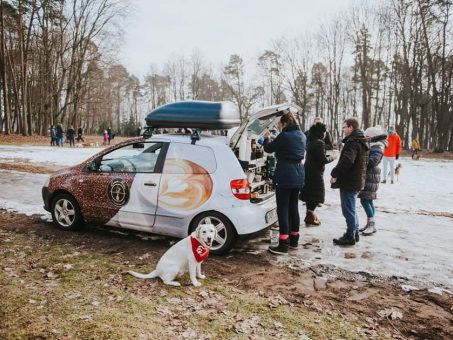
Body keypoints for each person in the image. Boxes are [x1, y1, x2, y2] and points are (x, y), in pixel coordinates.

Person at [262, 112, 306, 255]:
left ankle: (283, 244)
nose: (280, 127)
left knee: (283, 209)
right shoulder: (302, 135)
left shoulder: (284, 136)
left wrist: (267, 138)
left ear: (285, 123)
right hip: (299, 173)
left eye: (281, 124)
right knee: (294, 207)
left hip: (285, 174)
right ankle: (294, 240)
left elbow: (268, 149)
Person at [330, 117, 370, 246]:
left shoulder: (353, 142)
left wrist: (335, 173)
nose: (343, 129)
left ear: (351, 128)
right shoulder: (361, 141)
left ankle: (350, 235)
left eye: (344, 127)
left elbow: (347, 160)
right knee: (351, 208)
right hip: (357, 180)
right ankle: (354, 232)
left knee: (348, 210)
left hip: (350, 181)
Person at [299, 122, 337, 226]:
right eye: (325, 132)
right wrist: (334, 156)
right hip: (315, 172)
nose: (325, 134)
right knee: (317, 194)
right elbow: (323, 160)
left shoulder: (311, 141)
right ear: (321, 132)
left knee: (310, 193)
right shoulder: (319, 142)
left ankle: (309, 214)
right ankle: (310, 214)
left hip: (308, 169)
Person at [358, 126, 388, 236]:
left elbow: (373, 161)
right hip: (370, 176)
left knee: (365, 200)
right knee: (368, 200)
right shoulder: (374, 146)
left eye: (367, 136)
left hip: (371, 177)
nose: (365, 139)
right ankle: (369, 223)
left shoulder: (377, 147)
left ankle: (372, 224)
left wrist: (362, 159)